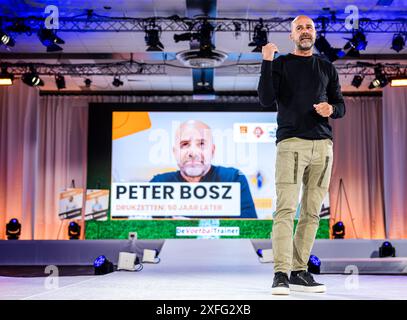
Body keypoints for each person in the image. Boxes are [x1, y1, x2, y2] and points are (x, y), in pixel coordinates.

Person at [258, 15, 346, 295]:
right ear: (291, 36)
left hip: (323, 146)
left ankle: (299, 271)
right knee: (285, 210)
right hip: (291, 144)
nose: (305, 31)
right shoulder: (281, 63)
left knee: (311, 213)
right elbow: (265, 98)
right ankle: (281, 273)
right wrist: (267, 61)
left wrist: (331, 110)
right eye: (299, 28)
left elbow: (340, 105)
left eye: (309, 27)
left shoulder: (326, 67)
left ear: (315, 34)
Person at [150, 120, 257, 218]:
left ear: (212, 150)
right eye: (185, 144)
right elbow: (144, 231)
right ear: (175, 152)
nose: (193, 153)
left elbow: (249, 229)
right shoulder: (159, 184)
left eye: (201, 144)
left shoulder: (233, 179)